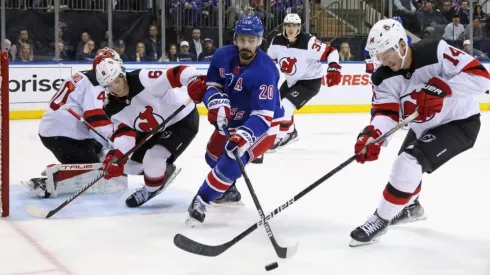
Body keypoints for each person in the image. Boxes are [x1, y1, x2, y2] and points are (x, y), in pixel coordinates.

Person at [350, 18, 489, 247]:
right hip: (422, 126)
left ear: (401, 46)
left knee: (407, 164)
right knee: (405, 171)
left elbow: (480, 77)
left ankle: (380, 219)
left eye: (385, 54)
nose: (382, 61)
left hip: (460, 123)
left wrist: (444, 89)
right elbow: (386, 112)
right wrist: (372, 136)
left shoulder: (435, 52)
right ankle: (412, 207)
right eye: (378, 56)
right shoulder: (382, 78)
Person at [185, 16, 284, 226]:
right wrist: (212, 101)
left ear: (259, 41)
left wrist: (243, 137)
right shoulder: (222, 56)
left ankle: (201, 200)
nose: (246, 45)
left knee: (231, 160)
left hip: (262, 126)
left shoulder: (266, 70)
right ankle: (228, 188)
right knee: (213, 155)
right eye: (242, 39)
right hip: (233, 119)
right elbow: (213, 87)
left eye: (251, 39)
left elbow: (262, 116)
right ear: (235, 38)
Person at [96, 58, 207, 207]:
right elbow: (124, 132)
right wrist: (118, 156)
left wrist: (193, 80)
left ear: (122, 74)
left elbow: (176, 73)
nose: (115, 88)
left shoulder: (143, 79)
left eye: (116, 81)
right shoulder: (111, 107)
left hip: (181, 121)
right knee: (128, 164)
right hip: (154, 129)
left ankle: (151, 188)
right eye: (109, 85)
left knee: (153, 158)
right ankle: (160, 172)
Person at [22, 48, 127, 198]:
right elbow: (96, 122)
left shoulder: (86, 76)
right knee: (95, 172)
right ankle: (52, 180)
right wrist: (117, 143)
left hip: (57, 131)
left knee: (101, 151)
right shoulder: (97, 84)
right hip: (64, 136)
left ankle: (68, 168)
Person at [267, 13, 341, 152]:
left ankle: (278, 137)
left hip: (310, 82)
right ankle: (291, 132)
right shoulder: (276, 41)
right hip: (291, 81)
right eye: (288, 25)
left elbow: (332, 51)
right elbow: (269, 62)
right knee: (277, 106)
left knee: (285, 107)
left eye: (294, 25)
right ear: (284, 26)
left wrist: (333, 68)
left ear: (299, 27)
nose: (291, 29)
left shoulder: (309, 41)